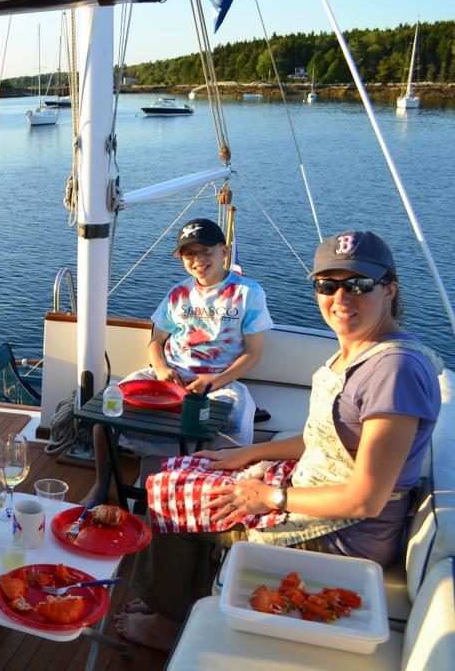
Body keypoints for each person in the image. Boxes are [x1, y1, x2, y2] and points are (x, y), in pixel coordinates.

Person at [115, 230, 444, 652]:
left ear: (389, 290)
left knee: (166, 494)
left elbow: (366, 500)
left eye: (358, 285)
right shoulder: (357, 353)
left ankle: (167, 622)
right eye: (327, 286)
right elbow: (321, 441)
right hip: (313, 488)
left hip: (341, 531)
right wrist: (246, 454)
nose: (340, 298)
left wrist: (269, 496)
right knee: (176, 471)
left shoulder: (394, 370)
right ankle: (174, 602)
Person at [82, 218, 273, 502]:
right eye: (189, 253)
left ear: (224, 251)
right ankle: (102, 483)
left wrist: (214, 381)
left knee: (234, 420)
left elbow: (253, 353)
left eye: (206, 251)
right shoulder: (178, 293)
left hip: (219, 379)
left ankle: (210, 490)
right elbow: (156, 342)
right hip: (169, 374)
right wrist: (160, 369)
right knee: (105, 410)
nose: (198, 260)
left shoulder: (248, 293)